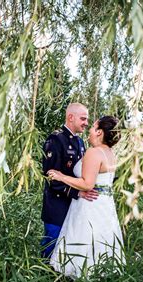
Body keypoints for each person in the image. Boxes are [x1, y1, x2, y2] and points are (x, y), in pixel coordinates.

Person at [47, 116, 124, 278]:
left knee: (84, 240)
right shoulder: (110, 153)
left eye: (93, 126)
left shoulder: (94, 152)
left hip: (89, 205)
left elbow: (87, 184)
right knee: (101, 239)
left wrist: (61, 176)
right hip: (104, 205)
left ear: (99, 132)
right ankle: (100, 278)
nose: (89, 129)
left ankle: (79, 280)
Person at [41, 103, 99, 258]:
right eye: (83, 119)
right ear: (71, 117)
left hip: (75, 207)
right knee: (51, 248)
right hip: (57, 205)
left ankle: (62, 281)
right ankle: (45, 281)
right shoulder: (55, 139)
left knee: (67, 249)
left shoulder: (79, 142)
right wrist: (77, 193)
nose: (86, 123)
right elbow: (50, 176)